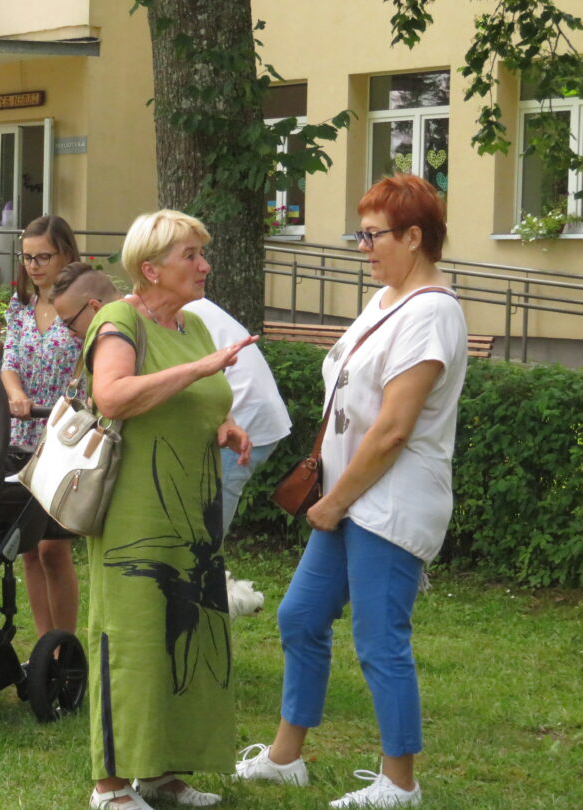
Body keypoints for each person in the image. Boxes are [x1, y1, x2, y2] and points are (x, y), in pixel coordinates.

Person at [235, 174, 467, 809]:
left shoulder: (431, 312)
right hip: (352, 495)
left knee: (379, 638)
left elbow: (394, 429)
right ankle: (286, 759)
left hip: (389, 502)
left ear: (413, 237)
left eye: (372, 236)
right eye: (359, 235)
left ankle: (400, 783)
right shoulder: (387, 298)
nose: (362, 248)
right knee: (300, 616)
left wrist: (334, 502)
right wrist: (337, 496)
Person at [81, 209, 255, 810]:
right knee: (133, 640)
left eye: (203, 254)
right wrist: (199, 369)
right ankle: (109, 785)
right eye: (191, 256)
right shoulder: (119, 320)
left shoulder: (194, 325)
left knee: (185, 635)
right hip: (136, 511)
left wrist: (225, 425)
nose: (204, 265)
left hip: (192, 511)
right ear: (151, 269)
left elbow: (197, 400)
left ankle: (162, 773)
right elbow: (113, 396)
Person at [1, 215, 83, 641]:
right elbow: (9, 361)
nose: (33, 266)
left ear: (66, 254)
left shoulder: (84, 308)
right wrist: (15, 393)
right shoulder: (20, 308)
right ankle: (42, 642)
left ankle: (63, 646)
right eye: (27, 257)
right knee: (30, 548)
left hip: (66, 436)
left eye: (43, 257)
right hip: (24, 435)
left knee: (54, 548)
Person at [182, 297, 291, 538]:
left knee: (204, 532)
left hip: (241, 417)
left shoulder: (162, 310)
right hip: (246, 411)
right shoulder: (182, 302)